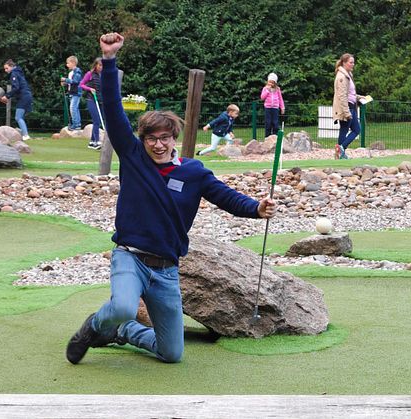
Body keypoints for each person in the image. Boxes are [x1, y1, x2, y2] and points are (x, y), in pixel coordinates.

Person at [66, 32, 278, 365]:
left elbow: (227, 199)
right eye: (152, 138)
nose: (158, 144)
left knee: (172, 352)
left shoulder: (193, 172)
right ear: (143, 140)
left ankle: (122, 332)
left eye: (165, 138)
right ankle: (94, 327)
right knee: (122, 306)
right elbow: (112, 108)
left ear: (174, 138)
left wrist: (256, 207)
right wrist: (109, 60)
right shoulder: (133, 157)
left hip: (166, 269)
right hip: (130, 258)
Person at [332, 53, 366, 160]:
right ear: (344, 63)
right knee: (347, 130)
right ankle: (341, 151)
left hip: (351, 106)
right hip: (346, 108)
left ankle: (340, 151)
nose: (353, 64)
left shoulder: (348, 75)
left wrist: (360, 97)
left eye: (353, 62)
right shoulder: (342, 76)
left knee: (355, 129)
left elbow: (350, 93)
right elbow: (342, 96)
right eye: (350, 62)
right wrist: (347, 112)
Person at [0, 59, 33, 141]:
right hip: (27, 96)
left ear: (11, 66)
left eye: (6, 68)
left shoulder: (14, 74)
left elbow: (16, 88)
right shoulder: (19, 72)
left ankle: (25, 135)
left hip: (23, 97)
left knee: (18, 117)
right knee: (20, 117)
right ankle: (24, 134)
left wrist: (7, 96)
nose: (5, 70)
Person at [80, 57, 104, 150]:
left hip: (101, 100)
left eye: (103, 65)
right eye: (100, 65)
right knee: (97, 120)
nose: (101, 67)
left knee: (99, 121)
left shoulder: (103, 75)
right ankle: (97, 141)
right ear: (96, 65)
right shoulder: (89, 74)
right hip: (91, 100)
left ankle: (91, 142)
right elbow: (81, 84)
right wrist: (90, 89)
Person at [61, 55, 83, 131]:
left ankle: (76, 125)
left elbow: (75, 81)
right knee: (75, 108)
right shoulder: (72, 72)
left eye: (68, 63)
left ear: (73, 63)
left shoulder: (77, 72)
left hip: (76, 92)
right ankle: (78, 124)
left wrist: (65, 79)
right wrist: (65, 83)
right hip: (73, 92)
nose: (67, 65)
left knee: (73, 108)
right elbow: (72, 83)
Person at [260, 73, 284, 138]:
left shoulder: (277, 89)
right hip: (268, 108)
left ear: (275, 83)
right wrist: (267, 91)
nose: (271, 84)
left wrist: (282, 107)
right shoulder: (265, 89)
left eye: (272, 83)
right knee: (268, 123)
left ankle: (275, 136)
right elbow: (262, 97)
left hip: (275, 108)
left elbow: (280, 99)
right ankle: (267, 137)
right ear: (268, 81)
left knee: (275, 123)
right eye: (269, 82)